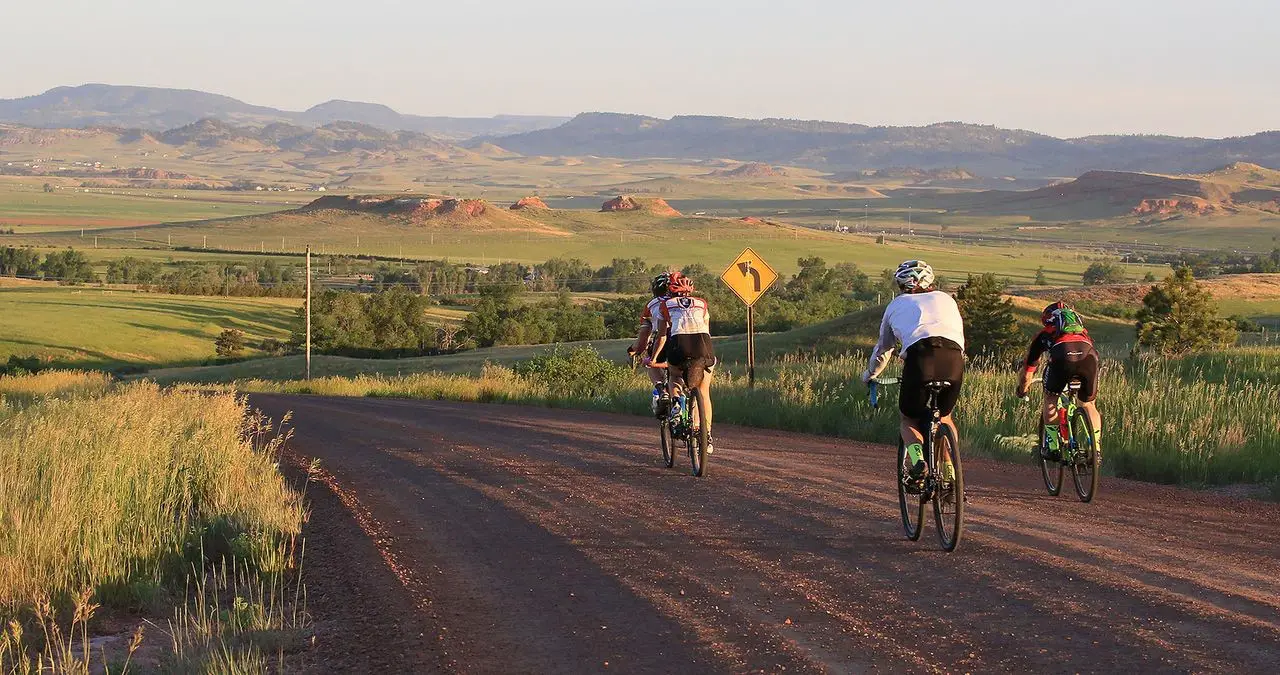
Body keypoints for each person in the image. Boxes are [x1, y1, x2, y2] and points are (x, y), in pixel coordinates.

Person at [860, 260, 966, 482]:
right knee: (945, 416)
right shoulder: (947, 299)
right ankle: (950, 470)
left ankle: (918, 462)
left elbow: (883, 349)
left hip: (920, 359)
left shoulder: (895, 306)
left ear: (900, 285)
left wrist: (871, 374)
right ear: (931, 282)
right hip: (954, 359)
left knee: (908, 417)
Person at [1017, 301, 1102, 460]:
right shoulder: (1082, 332)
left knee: (1050, 399)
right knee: (1089, 404)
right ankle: (1095, 449)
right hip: (1089, 356)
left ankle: (1053, 446)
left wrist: (1022, 390)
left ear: (1046, 320)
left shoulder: (1044, 334)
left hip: (1062, 355)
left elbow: (1028, 371)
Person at [648, 271, 717, 453]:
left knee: (675, 376)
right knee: (704, 391)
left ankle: (677, 402)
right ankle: (706, 436)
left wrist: (654, 359)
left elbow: (662, 337)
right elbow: (707, 330)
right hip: (704, 347)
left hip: (679, 346)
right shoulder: (702, 304)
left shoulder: (666, 305)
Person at [629, 272, 672, 415]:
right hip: (690, 341)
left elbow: (643, 338)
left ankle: (661, 389)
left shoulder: (651, 305)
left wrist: (634, 350)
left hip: (663, 340)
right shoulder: (686, 302)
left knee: (651, 362)